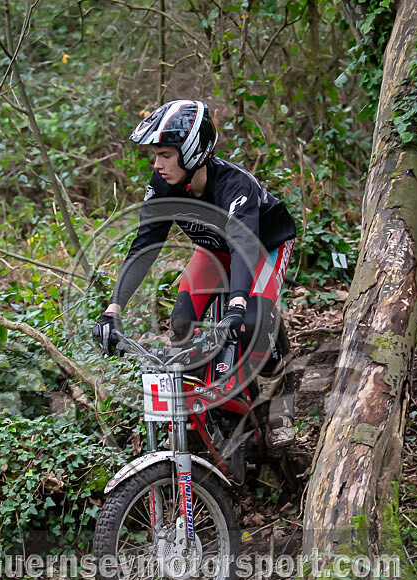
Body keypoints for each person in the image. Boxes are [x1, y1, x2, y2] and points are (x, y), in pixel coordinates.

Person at [92, 99, 296, 448]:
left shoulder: (235, 185)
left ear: (191, 152)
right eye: (155, 155)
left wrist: (236, 305)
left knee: (251, 320)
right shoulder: (164, 184)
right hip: (215, 249)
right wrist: (113, 309)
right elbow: (145, 246)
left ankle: (280, 394)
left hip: (264, 246)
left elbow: (244, 247)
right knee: (183, 323)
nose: (157, 164)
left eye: (166, 155)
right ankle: (209, 409)